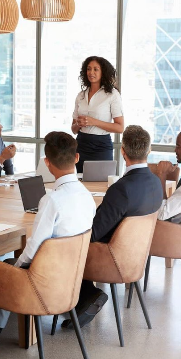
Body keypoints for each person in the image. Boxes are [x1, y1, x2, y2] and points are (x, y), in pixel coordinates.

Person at [0, 131, 96, 359]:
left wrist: (16, 268)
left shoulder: (52, 200)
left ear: (47, 162)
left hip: (40, 281)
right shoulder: (87, 196)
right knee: (9, 265)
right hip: (69, 278)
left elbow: (33, 249)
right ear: (77, 158)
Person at [63, 125, 162, 329]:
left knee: (62, 244)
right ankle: (85, 295)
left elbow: (94, 233)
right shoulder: (155, 182)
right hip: (134, 255)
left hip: (109, 256)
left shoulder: (121, 189)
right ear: (149, 151)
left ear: (122, 151)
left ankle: (88, 295)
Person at [71, 56, 125, 173]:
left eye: (96, 69)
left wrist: (93, 121)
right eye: (89, 69)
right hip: (81, 145)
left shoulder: (112, 95)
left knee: (102, 184)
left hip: (101, 146)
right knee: (81, 183)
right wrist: (78, 124)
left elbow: (120, 127)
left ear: (103, 72)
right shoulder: (80, 95)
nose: (91, 72)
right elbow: (73, 129)